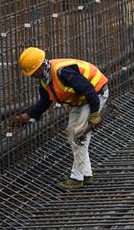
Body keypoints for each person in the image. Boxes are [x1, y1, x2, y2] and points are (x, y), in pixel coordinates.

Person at [11, 47, 109, 189]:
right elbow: (45, 101)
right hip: (81, 101)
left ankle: (77, 178)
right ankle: (87, 175)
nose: (32, 76)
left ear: (39, 67)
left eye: (32, 73)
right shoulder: (45, 80)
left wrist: (95, 114)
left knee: (78, 135)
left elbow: (89, 90)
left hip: (96, 95)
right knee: (72, 134)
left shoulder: (63, 72)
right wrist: (28, 116)